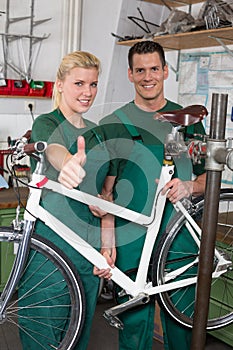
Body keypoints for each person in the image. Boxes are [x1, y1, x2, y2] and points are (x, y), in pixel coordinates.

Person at [97, 41, 206, 350]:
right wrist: (107, 242)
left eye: (154, 69)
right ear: (130, 74)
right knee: (133, 331)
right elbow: (106, 192)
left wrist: (189, 187)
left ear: (165, 71)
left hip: (180, 240)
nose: (148, 76)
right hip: (132, 241)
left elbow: (208, 178)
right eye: (140, 70)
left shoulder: (189, 122)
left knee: (181, 328)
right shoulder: (112, 125)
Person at [18, 50, 113, 349]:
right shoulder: (47, 123)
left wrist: (108, 243)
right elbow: (54, 149)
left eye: (93, 84)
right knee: (42, 333)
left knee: (78, 335)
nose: (87, 93)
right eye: (79, 83)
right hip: (49, 248)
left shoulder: (98, 134)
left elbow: (107, 195)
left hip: (88, 250)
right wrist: (69, 163)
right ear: (59, 84)